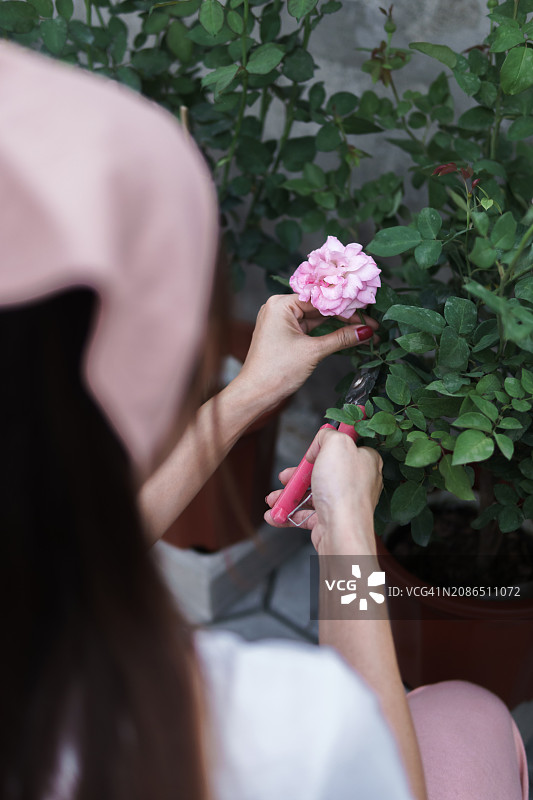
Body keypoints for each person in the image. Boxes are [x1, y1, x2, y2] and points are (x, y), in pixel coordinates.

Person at [0, 40, 528, 800]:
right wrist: (348, 538)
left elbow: (76, 550)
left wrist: (247, 395)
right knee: (469, 713)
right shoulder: (269, 728)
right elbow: (385, 775)